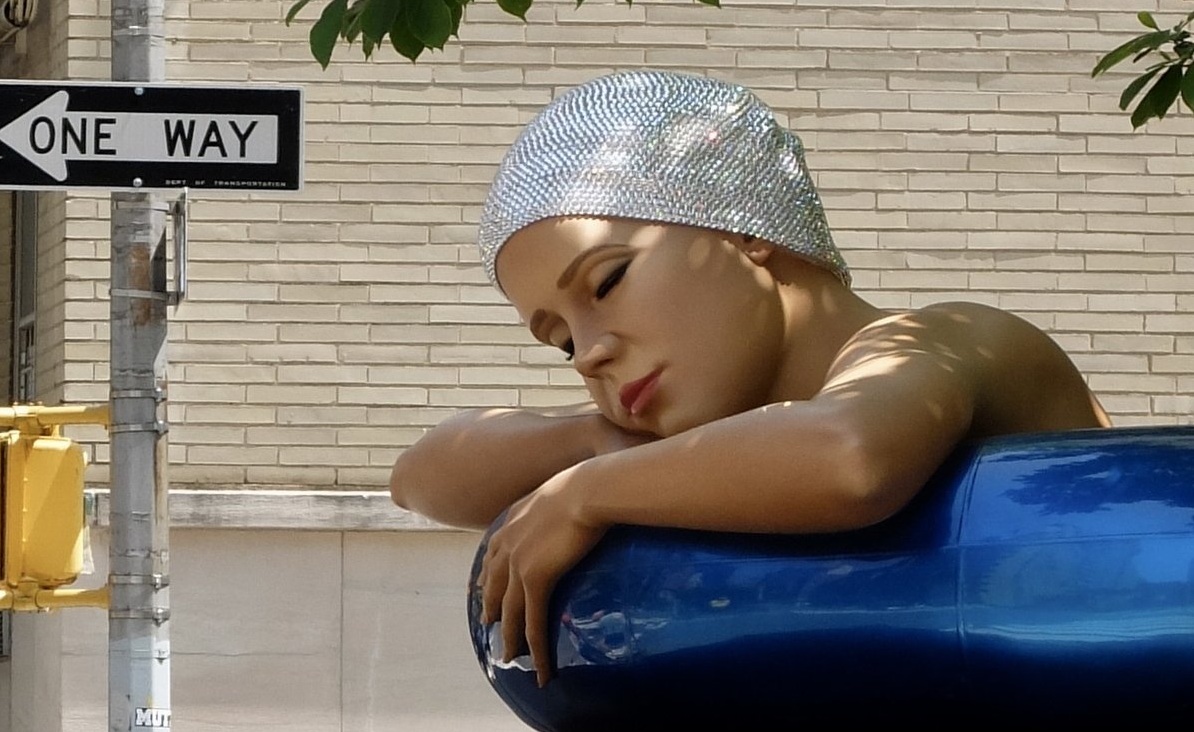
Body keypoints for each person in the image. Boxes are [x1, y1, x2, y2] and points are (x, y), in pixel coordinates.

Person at [392, 70, 1107, 680]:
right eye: (558, 340)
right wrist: (593, 441)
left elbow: (849, 455)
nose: (587, 354)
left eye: (607, 283)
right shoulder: (713, 453)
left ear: (744, 232)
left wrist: (586, 493)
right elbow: (419, 477)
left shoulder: (953, 338)